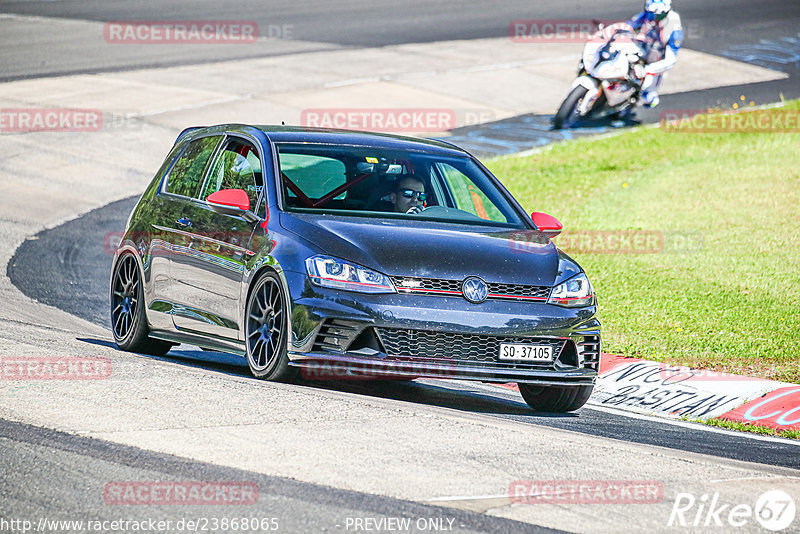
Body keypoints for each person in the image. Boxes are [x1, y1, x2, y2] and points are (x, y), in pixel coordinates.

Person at [627, 0, 683, 108]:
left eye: (657, 15)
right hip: (641, 50)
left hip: (654, 61)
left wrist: (648, 69)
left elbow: (670, 61)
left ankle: (628, 108)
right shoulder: (646, 16)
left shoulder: (674, 30)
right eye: (650, 14)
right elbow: (628, 27)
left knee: (650, 98)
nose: (653, 19)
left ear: (666, 12)